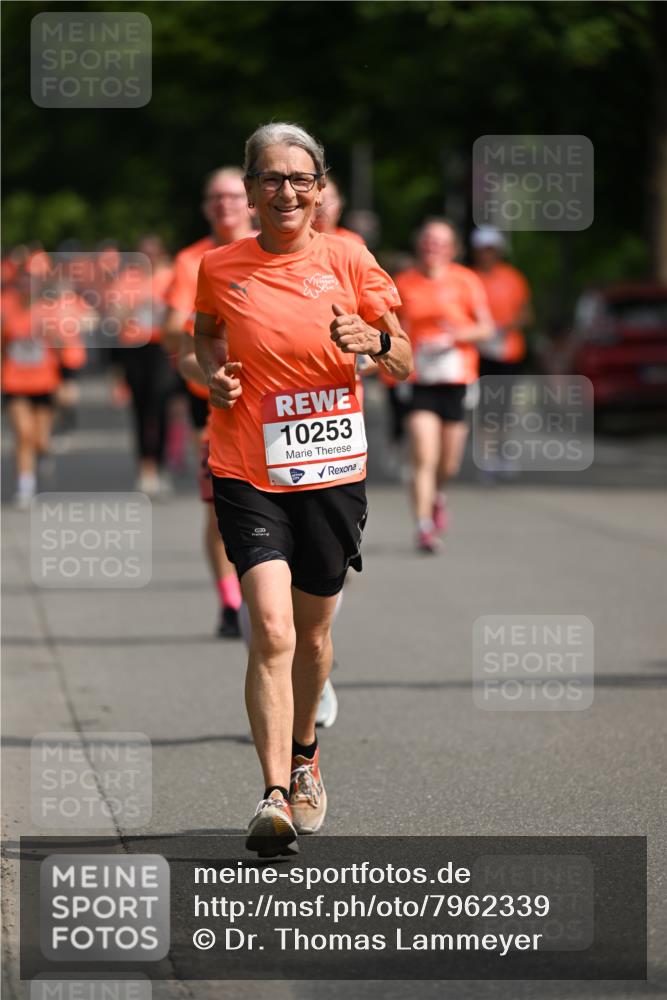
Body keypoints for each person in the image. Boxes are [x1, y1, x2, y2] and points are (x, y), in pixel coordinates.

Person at [194, 122, 412, 856]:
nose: (285, 191)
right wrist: (212, 378)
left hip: (329, 473)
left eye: (299, 179)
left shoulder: (348, 257)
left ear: (318, 191)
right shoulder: (220, 266)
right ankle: (273, 797)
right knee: (273, 630)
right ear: (251, 191)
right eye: (270, 179)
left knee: (314, 633)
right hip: (245, 467)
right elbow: (202, 337)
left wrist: (374, 343)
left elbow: (404, 357)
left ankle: (305, 752)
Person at [164, 168, 255, 637]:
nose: (225, 205)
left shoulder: (274, 253)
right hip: (218, 408)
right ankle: (229, 600)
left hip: (279, 408)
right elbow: (177, 340)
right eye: (215, 197)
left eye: (233, 196)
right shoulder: (190, 262)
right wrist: (212, 373)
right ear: (206, 207)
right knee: (220, 512)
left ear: (252, 201)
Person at [395, 219, 493, 552]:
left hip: (457, 377)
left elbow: (486, 328)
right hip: (419, 379)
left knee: (448, 464)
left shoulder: (466, 280)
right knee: (424, 455)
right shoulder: (403, 283)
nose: (432, 247)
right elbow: (392, 329)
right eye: (427, 241)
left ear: (451, 249)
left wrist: (456, 336)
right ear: (418, 245)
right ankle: (423, 527)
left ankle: (437, 496)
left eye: (440, 242)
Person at [471, 227, 533, 478]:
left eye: (491, 250)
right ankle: (487, 457)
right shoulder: (469, 278)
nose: (487, 255)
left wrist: (505, 328)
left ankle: (503, 452)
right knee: (486, 405)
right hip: (479, 352)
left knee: (505, 406)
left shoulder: (513, 278)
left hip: (508, 351)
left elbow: (527, 314)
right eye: (483, 250)